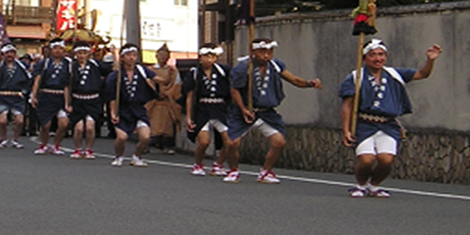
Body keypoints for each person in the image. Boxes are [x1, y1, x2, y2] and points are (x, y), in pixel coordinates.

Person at [339, 39, 441, 197]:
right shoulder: (355, 77)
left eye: (381, 54)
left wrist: (430, 60)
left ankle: (374, 186)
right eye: (372, 55)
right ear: (365, 58)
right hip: (364, 123)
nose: (377, 58)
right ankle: (361, 185)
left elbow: (422, 74)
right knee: (367, 159)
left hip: (387, 124)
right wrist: (346, 130)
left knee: (386, 160)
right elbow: (348, 105)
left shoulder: (394, 74)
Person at [224, 38, 322, 184]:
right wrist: (243, 109)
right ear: (253, 52)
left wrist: (309, 83)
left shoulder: (276, 65)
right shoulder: (243, 67)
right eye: (262, 52)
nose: (266, 56)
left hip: (267, 111)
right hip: (245, 110)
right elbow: (235, 90)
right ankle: (233, 170)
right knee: (232, 143)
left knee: (279, 142)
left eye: (269, 52)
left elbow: (293, 79)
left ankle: (265, 171)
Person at [104, 43, 159, 166]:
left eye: (134, 55)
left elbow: (159, 80)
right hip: (122, 109)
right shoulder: (115, 76)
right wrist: (113, 112)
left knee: (145, 137)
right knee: (122, 137)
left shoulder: (141, 71)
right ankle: (119, 156)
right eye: (128, 55)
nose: (132, 58)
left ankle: (137, 156)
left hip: (138, 109)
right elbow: (112, 97)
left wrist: (172, 75)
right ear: (122, 57)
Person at [183, 43, 232, 176]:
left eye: (212, 57)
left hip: (220, 108)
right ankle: (198, 164)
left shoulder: (223, 71)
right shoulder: (194, 73)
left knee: (230, 141)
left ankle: (218, 164)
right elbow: (190, 96)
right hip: (202, 109)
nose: (209, 60)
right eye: (206, 57)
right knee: (204, 141)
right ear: (200, 57)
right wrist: (188, 117)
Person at [30, 39, 72, 155]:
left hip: (60, 95)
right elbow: (37, 81)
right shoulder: (44, 63)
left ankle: (56, 145)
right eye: (55, 48)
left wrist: (68, 102)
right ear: (51, 50)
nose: (58, 51)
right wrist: (34, 96)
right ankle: (44, 144)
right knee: (45, 125)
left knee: (64, 123)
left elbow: (67, 84)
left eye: (60, 48)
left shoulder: (68, 64)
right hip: (46, 95)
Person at [0, 42, 31, 149]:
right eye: (7, 53)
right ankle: (3, 139)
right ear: (3, 54)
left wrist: (26, 92)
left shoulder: (22, 66)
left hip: (17, 96)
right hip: (3, 96)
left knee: (19, 120)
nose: (10, 55)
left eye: (12, 52)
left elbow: (29, 79)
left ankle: (15, 139)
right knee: (2, 120)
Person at [68, 42, 105, 159]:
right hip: (77, 100)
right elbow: (67, 86)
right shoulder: (71, 67)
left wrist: (115, 55)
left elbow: (113, 68)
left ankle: (89, 149)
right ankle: (78, 149)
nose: (82, 56)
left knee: (90, 126)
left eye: (84, 53)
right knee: (78, 128)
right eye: (79, 53)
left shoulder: (95, 65)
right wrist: (67, 103)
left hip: (92, 100)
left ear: (88, 54)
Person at [146, 43, 181, 153]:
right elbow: (148, 83)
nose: (163, 57)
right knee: (152, 122)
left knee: (168, 124)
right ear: (156, 56)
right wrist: (155, 93)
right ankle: (149, 143)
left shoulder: (172, 71)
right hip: (154, 102)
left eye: (165, 55)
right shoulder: (150, 70)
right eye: (160, 55)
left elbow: (177, 85)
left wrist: (168, 93)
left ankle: (167, 145)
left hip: (167, 101)